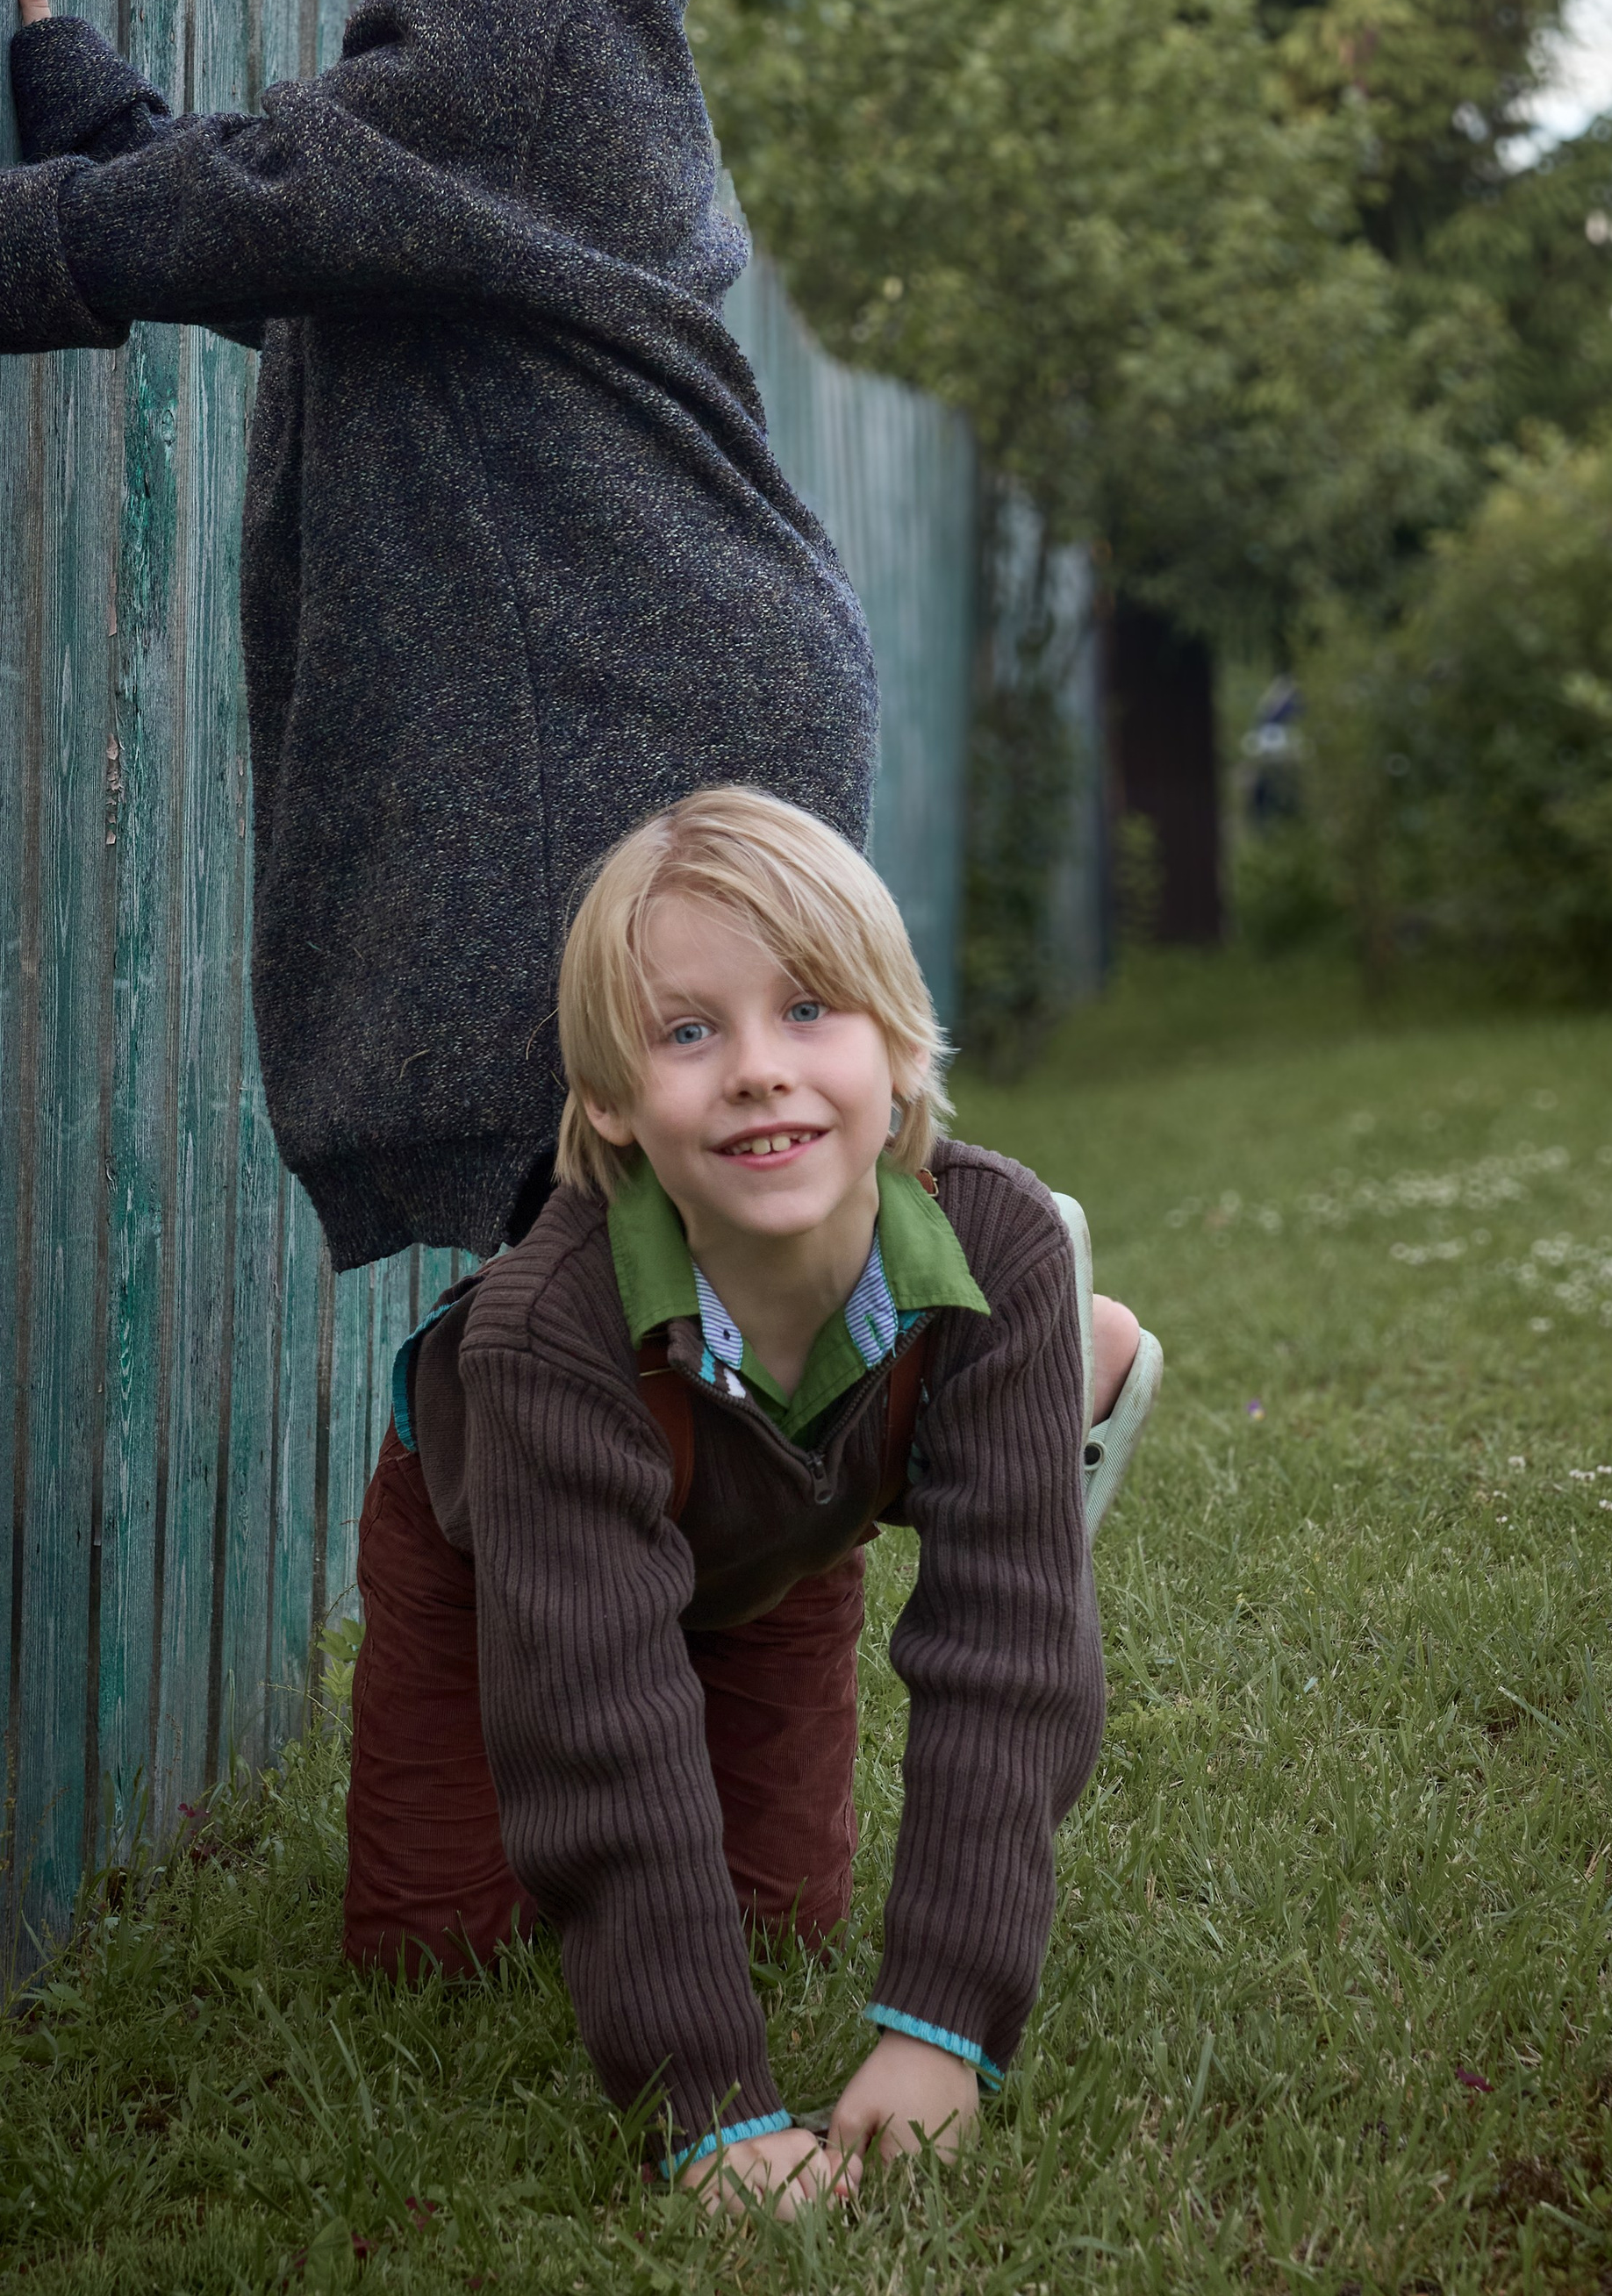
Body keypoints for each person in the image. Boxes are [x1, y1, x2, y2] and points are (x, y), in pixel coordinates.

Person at [0, 0, 876, 1269]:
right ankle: (847, 1414)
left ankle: (999, 1358)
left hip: (633, 693)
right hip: (672, 670)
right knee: (661, 1166)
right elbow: (320, 275)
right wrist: (107, 132)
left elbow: (273, 204)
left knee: (623, 1134)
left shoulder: (536, 42)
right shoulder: (524, 81)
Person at [347, 784, 1152, 2212]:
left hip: (782, 1530)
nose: (758, 1070)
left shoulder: (1005, 1242)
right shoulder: (550, 1333)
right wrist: (712, 2113)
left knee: (780, 1918)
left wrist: (943, 2032)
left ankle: (1049, 1380)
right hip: (502, 1554)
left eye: (811, 1010)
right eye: (687, 1030)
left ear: (900, 1041)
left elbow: (1008, 1658)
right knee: (438, 1952)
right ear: (607, 1098)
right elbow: (592, 1719)